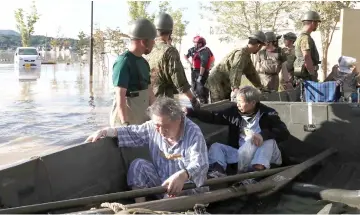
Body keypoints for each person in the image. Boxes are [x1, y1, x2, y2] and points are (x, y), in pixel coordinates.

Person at [86, 97, 209, 202]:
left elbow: (200, 164)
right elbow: (133, 132)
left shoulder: (193, 133)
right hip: (162, 183)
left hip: (188, 189)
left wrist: (183, 175)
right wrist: (106, 131)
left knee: (180, 189)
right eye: (157, 126)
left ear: (178, 120)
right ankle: (141, 207)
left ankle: (164, 207)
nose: (160, 131)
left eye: (164, 127)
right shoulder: (153, 127)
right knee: (138, 165)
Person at [184, 86, 289, 180]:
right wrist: (191, 112)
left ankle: (256, 173)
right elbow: (214, 116)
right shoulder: (234, 112)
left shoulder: (268, 113)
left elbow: (283, 131)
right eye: (236, 101)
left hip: (264, 156)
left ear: (252, 103)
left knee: (268, 141)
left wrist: (263, 135)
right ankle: (218, 172)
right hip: (242, 154)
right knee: (216, 147)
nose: (237, 104)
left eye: (240, 101)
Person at [145, 13, 200, 109]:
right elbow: (179, 80)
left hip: (148, 99)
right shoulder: (170, 51)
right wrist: (193, 99)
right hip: (164, 101)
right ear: (170, 31)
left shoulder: (149, 49)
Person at [110, 18, 157, 127]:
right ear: (143, 41)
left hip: (142, 117)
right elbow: (120, 95)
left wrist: (158, 115)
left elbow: (150, 93)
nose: (153, 43)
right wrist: (124, 124)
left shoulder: (144, 63)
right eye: (152, 40)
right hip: (128, 119)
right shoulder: (123, 62)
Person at [205, 31, 266, 103]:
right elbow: (236, 70)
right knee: (218, 106)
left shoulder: (246, 55)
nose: (260, 49)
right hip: (216, 81)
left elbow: (251, 73)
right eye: (261, 47)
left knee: (226, 105)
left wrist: (260, 87)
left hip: (225, 82)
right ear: (258, 45)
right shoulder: (241, 54)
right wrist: (235, 88)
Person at [294, 11, 321, 83]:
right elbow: (307, 57)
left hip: (303, 75)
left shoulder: (301, 37)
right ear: (313, 22)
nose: (317, 25)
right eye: (317, 23)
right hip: (307, 76)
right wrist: (312, 75)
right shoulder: (305, 38)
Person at [190, 36, 215, 104]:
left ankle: (204, 105)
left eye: (196, 43)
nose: (194, 44)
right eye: (194, 42)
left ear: (201, 44)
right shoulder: (196, 50)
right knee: (194, 89)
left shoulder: (205, 51)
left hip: (202, 73)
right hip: (195, 72)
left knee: (201, 91)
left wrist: (200, 75)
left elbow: (203, 64)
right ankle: (197, 106)